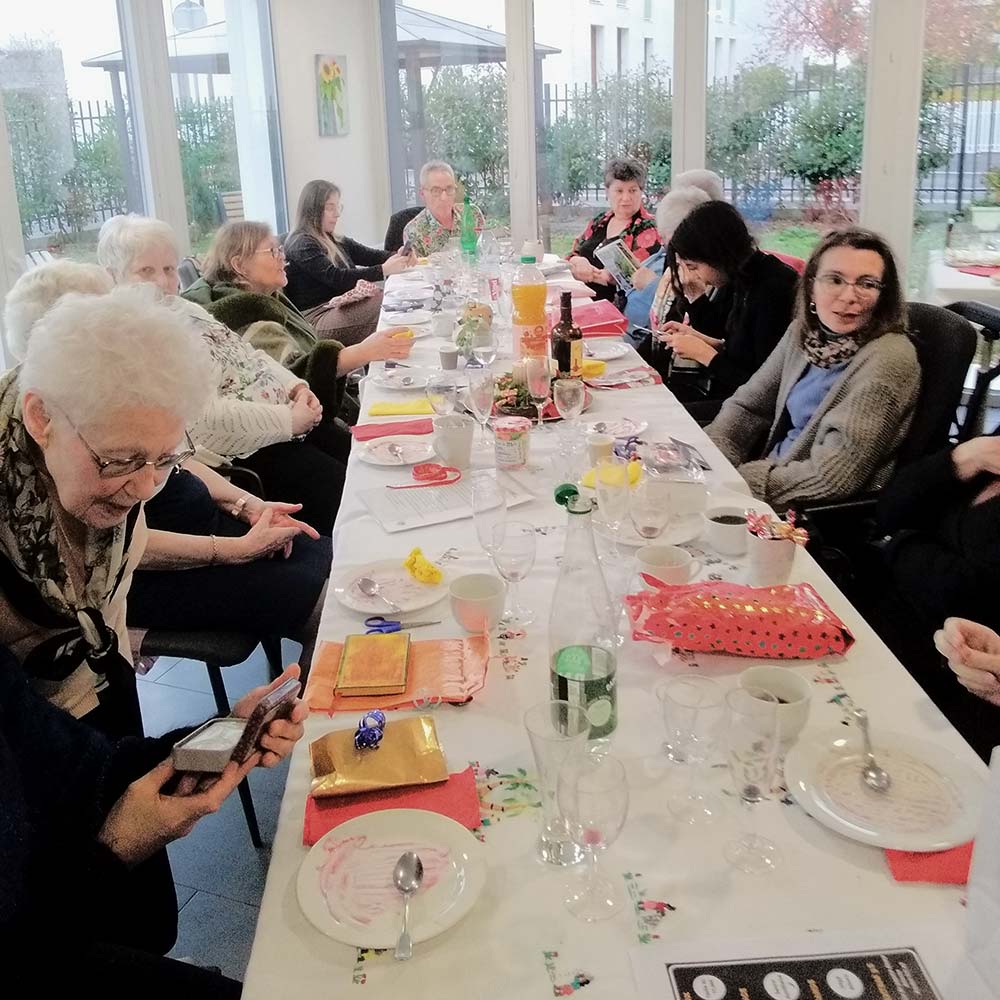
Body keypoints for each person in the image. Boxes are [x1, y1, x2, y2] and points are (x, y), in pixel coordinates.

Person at [0, 643, 305, 992]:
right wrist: (118, 849)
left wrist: (219, 739)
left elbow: (90, 764)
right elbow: (24, 952)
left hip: (57, 929)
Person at [97, 214, 347, 534]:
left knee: (368, 467)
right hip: (254, 452)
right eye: (146, 271)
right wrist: (289, 421)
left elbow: (247, 354)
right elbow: (203, 424)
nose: (162, 283)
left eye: (169, 270)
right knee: (351, 498)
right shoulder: (134, 343)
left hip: (289, 424)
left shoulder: (184, 309)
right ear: (112, 277)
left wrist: (296, 386)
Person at [706, 228, 920, 510]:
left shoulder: (889, 358)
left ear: (884, 296)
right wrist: (714, 457)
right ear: (811, 287)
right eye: (834, 280)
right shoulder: (804, 333)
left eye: (867, 284)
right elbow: (748, 405)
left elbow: (832, 477)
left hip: (813, 513)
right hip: (767, 482)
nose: (848, 296)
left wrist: (741, 481)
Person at [638, 201, 799, 419]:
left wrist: (706, 355)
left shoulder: (774, 290)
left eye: (695, 267)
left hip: (752, 410)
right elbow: (726, 336)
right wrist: (698, 330)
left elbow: (762, 386)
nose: (698, 277)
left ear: (717, 255)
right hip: (731, 394)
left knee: (661, 416)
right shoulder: (739, 274)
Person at [284, 179, 412, 344]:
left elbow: (369, 255)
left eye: (338, 207)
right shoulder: (301, 243)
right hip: (317, 317)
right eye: (330, 207)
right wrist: (384, 270)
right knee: (388, 303)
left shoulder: (332, 238)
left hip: (338, 307)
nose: (337, 213)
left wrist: (398, 255)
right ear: (312, 210)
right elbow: (337, 278)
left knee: (389, 301)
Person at [567, 157, 660, 302]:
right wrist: (578, 261)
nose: (626, 197)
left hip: (618, 309)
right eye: (619, 190)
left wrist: (593, 275)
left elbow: (637, 279)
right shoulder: (600, 221)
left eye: (632, 190)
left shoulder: (649, 228)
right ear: (607, 191)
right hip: (582, 299)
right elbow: (572, 254)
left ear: (641, 192)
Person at [624, 185, 711, 332]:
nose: (665, 245)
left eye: (668, 239)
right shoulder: (672, 262)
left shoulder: (705, 273)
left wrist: (653, 285)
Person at [401, 160, 485, 257]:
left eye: (449, 189)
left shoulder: (473, 214)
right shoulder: (414, 231)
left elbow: (487, 252)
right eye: (436, 191)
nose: (444, 197)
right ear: (422, 194)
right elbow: (417, 270)